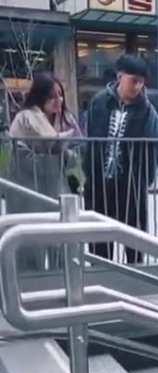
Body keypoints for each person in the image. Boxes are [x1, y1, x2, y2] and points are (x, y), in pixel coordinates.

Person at [84, 54, 158, 262]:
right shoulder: (99, 102)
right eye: (133, 80)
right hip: (99, 182)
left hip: (131, 185)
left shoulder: (148, 112)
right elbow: (89, 141)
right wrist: (88, 173)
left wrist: (143, 179)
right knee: (99, 238)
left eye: (141, 82)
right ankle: (102, 276)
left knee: (133, 239)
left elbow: (155, 150)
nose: (138, 86)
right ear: (120, 76)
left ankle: (133, 280)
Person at [9, 73, 80, 270]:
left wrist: (79, 182)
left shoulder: (66, 119)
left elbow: (76, 157)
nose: (58, 100)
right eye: (51, 96)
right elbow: (16, 155)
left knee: (62, 244)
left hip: (58, 188)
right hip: (29, 190)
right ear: (39, 97)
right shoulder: (25, 118)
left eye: (60, 94)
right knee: (30, 244)